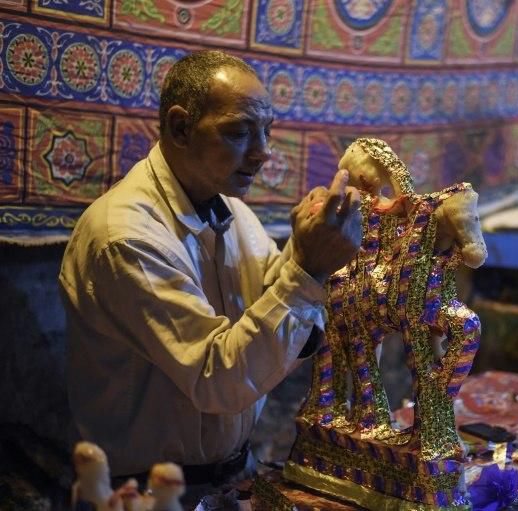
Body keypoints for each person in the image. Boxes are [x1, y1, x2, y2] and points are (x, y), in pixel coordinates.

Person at [58, 50, 362, 490]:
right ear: (181, 128)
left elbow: (277, 321)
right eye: (239, 132)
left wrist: (308, 249)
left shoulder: (235, 214)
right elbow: (219, 380)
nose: (263, 153)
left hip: (235, 474)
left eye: (267, 131)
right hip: (147, 492)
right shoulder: (124, 238)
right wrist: (308, 268)